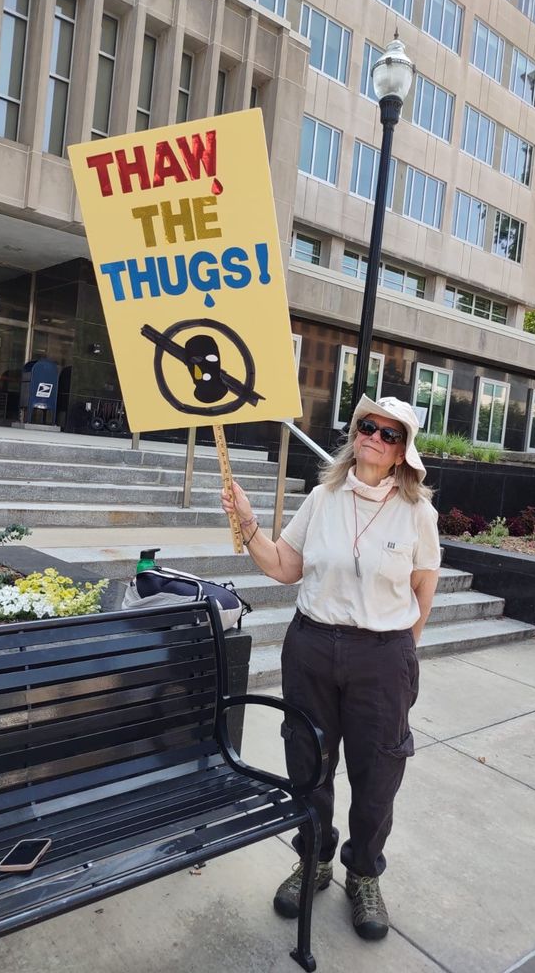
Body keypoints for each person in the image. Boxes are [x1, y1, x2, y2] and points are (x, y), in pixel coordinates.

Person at [221, 394, 440, 941]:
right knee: (308, 761)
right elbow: (284, 566)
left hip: (382, 656)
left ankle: (363, 873)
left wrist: (398, 655)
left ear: (402, 453)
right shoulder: (323, 498)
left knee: (378, 774)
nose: (375, 436)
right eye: (368, 426)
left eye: (390, 434)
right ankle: (313, 860)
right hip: (313, 647)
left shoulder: (419, 513)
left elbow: (423, 591)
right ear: (355, 433)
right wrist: (247, 523)